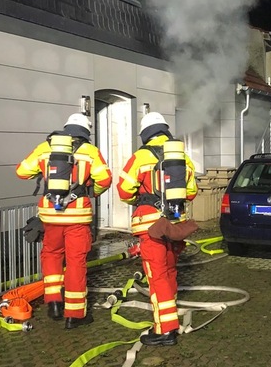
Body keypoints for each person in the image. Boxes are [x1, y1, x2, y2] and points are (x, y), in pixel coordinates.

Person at [15, 113, 113, 329]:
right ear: (86, 131)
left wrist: (41, 172)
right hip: (78, 216)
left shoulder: (44, 148)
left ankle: (54, 303)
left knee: (51, 254)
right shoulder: (90, 151)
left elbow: (22, 171)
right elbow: (105, 179)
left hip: (50, 216)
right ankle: (74, 315)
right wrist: (92, 192)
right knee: (76, 262)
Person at [116, 111, 198, 346]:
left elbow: (124, 191)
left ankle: (165, 330)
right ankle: (167, 321)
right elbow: (191, 192)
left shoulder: (140, 157)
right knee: (170, 272)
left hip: (150, 226)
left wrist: (142, 198)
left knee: (158, 277)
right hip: (174, 225)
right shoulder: (182, 156)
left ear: (145, 134)